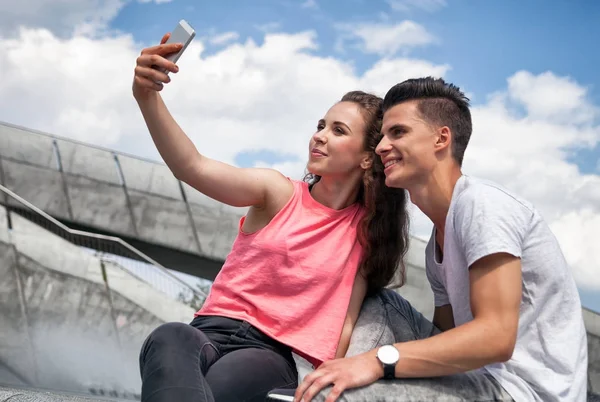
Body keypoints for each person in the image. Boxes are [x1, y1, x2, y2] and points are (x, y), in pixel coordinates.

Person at [132, 32, 411, 402]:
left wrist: (328, 380)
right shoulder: (277, 192)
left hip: (270, 354)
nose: (319, 137)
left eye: (338, 131)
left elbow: (344, 319)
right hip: (206, 331)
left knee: (214, 390)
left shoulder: (366, 232)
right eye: (320, 125)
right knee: (169, 335)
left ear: (366, 158)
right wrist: (146, 96)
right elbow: (192, 167)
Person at [294, 77, 588, 402]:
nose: (380, 147)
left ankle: (334, 393)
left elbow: (496, 338)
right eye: (381, 136)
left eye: (398, 132)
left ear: (441, 138)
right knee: (376, 299)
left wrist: (377, 361)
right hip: (475, 376)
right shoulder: (439, 234)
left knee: (356, 393)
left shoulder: (482, 205)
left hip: (519, 391)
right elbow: (445, 337)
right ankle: (329, 381)